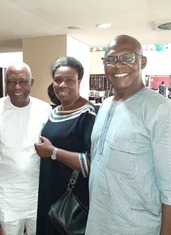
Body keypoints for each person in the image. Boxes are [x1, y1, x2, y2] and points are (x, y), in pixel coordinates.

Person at [85, 35, 171, 235]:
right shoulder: (105, 106)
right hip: (97, 223)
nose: (118, 65)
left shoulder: (160, 110)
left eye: (128, 58)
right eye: (111, 60)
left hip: (136, 227)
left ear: (143, 61)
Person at [0, 62, 52, 235]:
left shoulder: (45, 110)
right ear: (5, 82)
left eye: (23, 81)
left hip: (37, 191)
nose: (17, 87)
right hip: (7, 193)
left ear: (32, 83)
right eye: (11, 81)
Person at [34, 56, 97, 235]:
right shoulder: (55, 111)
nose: (62, 85)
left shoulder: (88, 113)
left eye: (69, 80)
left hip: (71, 197)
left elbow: (89, 163)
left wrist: (53, 152)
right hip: (48, 187)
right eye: (58, 80)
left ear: (79, 82)